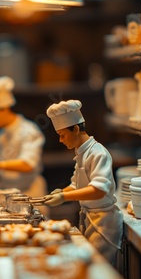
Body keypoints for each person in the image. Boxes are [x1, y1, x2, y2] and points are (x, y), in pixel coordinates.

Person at [42, 100, 123, 265]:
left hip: (105, 221)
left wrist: (64, 197)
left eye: (62, 135)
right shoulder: (81, 154)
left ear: (76, 129)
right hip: (90, 216)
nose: (60, 140)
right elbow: (76, 186)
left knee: (100, 266)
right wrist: (61, 191)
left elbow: (99, 190)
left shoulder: (98, 153)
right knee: (90, 262)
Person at [0, 74, 47, 203]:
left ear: (4, 109)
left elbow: (28, 164)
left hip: (28, 195)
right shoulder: (1, 135)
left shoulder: (28, 131)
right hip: (5, 195)